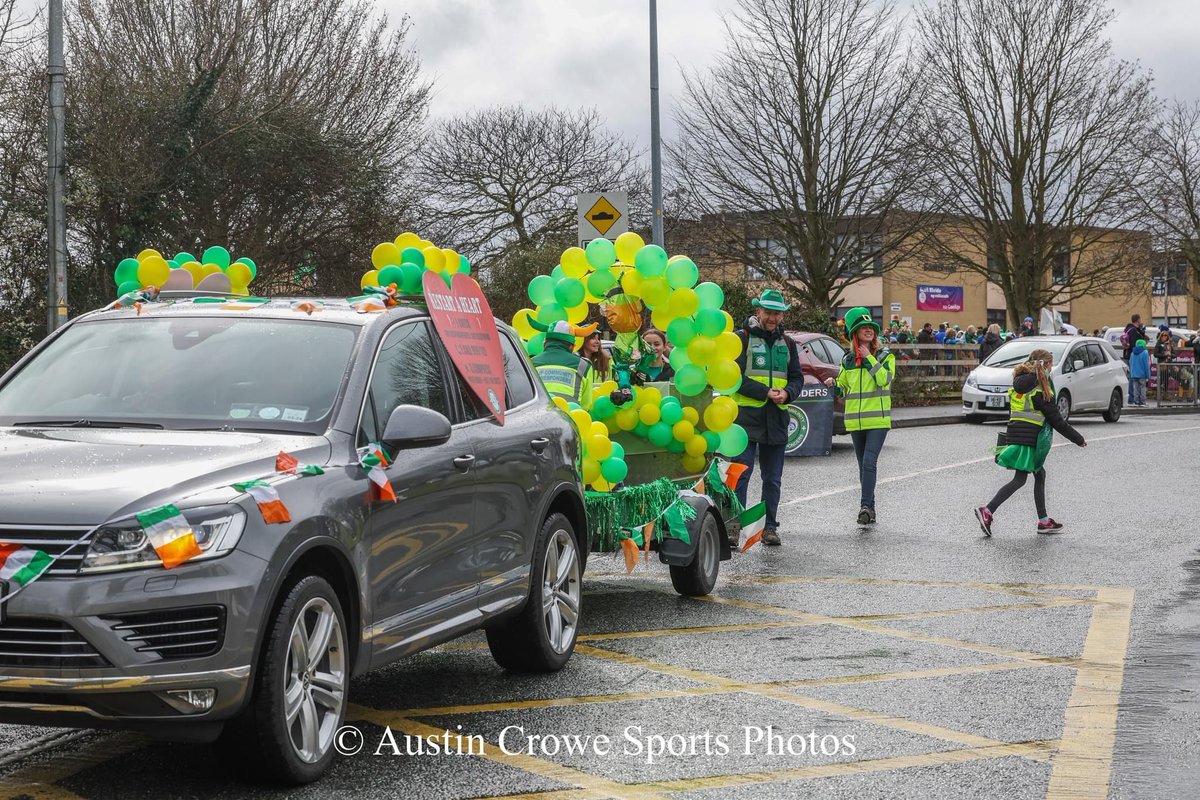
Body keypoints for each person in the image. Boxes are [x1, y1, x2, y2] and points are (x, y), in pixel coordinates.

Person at [974, 349, 1086, 536]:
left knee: (1039, 474)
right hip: (1029, 439)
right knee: (1020, 479)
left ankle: (1043, 521)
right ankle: (987, 510)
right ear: (1044, 365)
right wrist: (1078, 439)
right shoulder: (1041, 389)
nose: (1052, 368)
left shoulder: (1020, 381)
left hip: (1017, 434)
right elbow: (1056, 420)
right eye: (1050, 364)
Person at [732, 288, 805, 546]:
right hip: (746, 418)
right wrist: (765, 392)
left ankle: (769, 527)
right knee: (740, 474)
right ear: (758, 312)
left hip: (776, 418)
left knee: (772, 479)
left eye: (777, 313)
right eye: (768, 312)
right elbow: (733, 378)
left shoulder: (789, 344)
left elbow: (797, 377)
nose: (772, 318)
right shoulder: (740, 339)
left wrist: (787, 393)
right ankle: (734, 525)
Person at [825, 307, 895, 525]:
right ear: (854, 333)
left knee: (869, 463)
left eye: (871, 328)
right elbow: (844, 390)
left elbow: (884, 379)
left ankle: (864, 506)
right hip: (854, 421)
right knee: (862, 466)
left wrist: (869, 359)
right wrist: (834, 386)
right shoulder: (846, 361)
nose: (868, 331)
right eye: (863, 328)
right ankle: (870, 509)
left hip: (877, 421)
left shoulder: (885, 356)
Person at [529, 320, 599, 407]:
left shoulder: (530, 363)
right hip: (571, 417)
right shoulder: (584, 365)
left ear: (545, 342)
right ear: (572, 346)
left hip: (538, 417)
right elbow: (586, 405)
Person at [1129, 338, 1150, 406]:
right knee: (1143, 387)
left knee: (1136, 388)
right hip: (1142, 374)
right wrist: (1148, 375)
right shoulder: (1145, 352)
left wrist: (1131, 373)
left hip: (1134, 374)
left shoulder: (1132, 353)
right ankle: (1143, 402)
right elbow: (1146, 365)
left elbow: (1130, 363)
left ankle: (1136, 401)